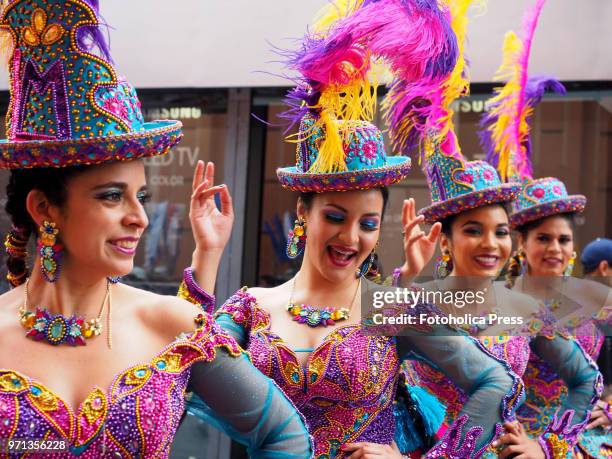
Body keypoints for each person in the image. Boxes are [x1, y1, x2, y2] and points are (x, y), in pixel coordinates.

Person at [182, 1, 526, 457]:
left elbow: (495, 382)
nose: (350, 239)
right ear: (304, 212)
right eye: (335, 217)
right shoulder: (250, 308)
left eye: (367, 224)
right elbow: (181, 368)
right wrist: (207, 254)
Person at [0, 1, 312, 457]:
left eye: (140, 196)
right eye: (111, 196)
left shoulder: (173, 325)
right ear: (44, 208)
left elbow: (284, 436)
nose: (139, 217)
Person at [479, 2, 611, 455]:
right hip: (519, 444)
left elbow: (597, 380)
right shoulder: (503, 302)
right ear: (522, 243)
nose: (555, 247)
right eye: (543, 238)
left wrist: (608, 410)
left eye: (564, 239)